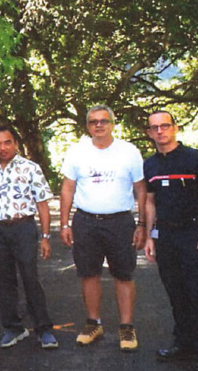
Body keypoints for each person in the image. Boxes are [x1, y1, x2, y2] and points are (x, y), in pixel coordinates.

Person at [59, 104, 146, 352]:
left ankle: (127, 327)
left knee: (123, 274)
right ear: (87, 126)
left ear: (112, 124)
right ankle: (93, 323)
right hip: (86, 221)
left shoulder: (129, 152)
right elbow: (67, 188)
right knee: (88, 273)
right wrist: (64, 223)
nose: (99, 125)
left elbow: (141, 189)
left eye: (104, 121)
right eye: (93, 121)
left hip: (120, 221)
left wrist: (142, 224)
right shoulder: (77, 152)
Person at [143, 110, 198, 371]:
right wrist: (150, 236)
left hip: (193, 234)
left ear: (175, 128)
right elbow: (150, 202)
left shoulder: (197, 159)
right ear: (150, 133)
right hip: (166, 236)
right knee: (175, 292)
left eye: (165, 126)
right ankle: (184, 344)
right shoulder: (150, 165)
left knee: (197, 293)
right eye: (155, 128)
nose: (161, 131)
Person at [0, 125, 58, 349]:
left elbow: (42, 204)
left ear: (15, 143)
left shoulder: (30, 168)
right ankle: (13, 328)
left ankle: (43, 329)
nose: (2, 147)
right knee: (3, 279)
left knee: (30, 277)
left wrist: (45, 236)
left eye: (7, 142)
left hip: (23, 227)